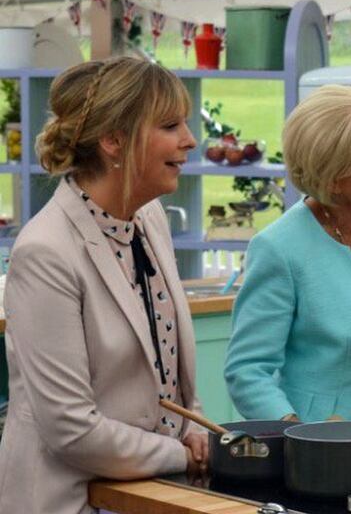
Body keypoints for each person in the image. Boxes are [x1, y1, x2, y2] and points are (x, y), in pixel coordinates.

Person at [0, 57, 207, 514]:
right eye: (171, 125)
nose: (190, 140)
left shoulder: (150, 219)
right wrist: (182, 455)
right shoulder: (45, 253)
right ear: (113, 141)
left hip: (151, 493)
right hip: (72, 500)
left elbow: (166, 377)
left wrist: (195, 426)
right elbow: (70, 429)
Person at [224, 85, 351, 423]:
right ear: (334, 178)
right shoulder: (279, 248)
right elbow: (248, 372)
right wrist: (300, 437)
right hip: (321, 450)